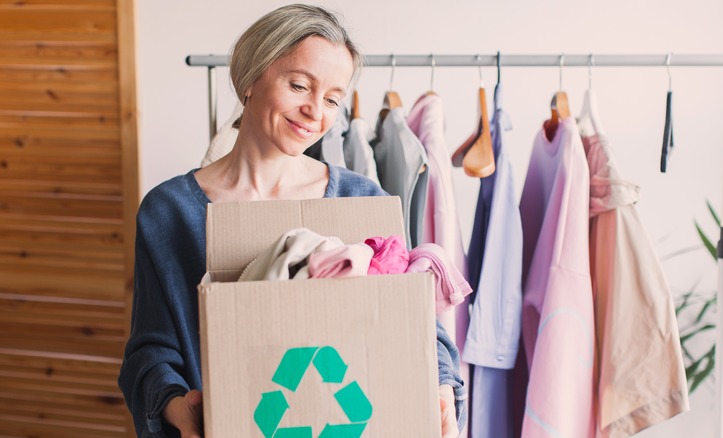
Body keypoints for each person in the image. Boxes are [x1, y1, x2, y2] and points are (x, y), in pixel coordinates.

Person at [118, 5, 465, 437]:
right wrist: (175, 407)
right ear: (249, 80)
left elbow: (417, 328)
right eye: (300, 85)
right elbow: (150, 352)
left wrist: (441, 387)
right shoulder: (169, 212)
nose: (315, 111)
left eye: (333, 99)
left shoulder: (361, 201)